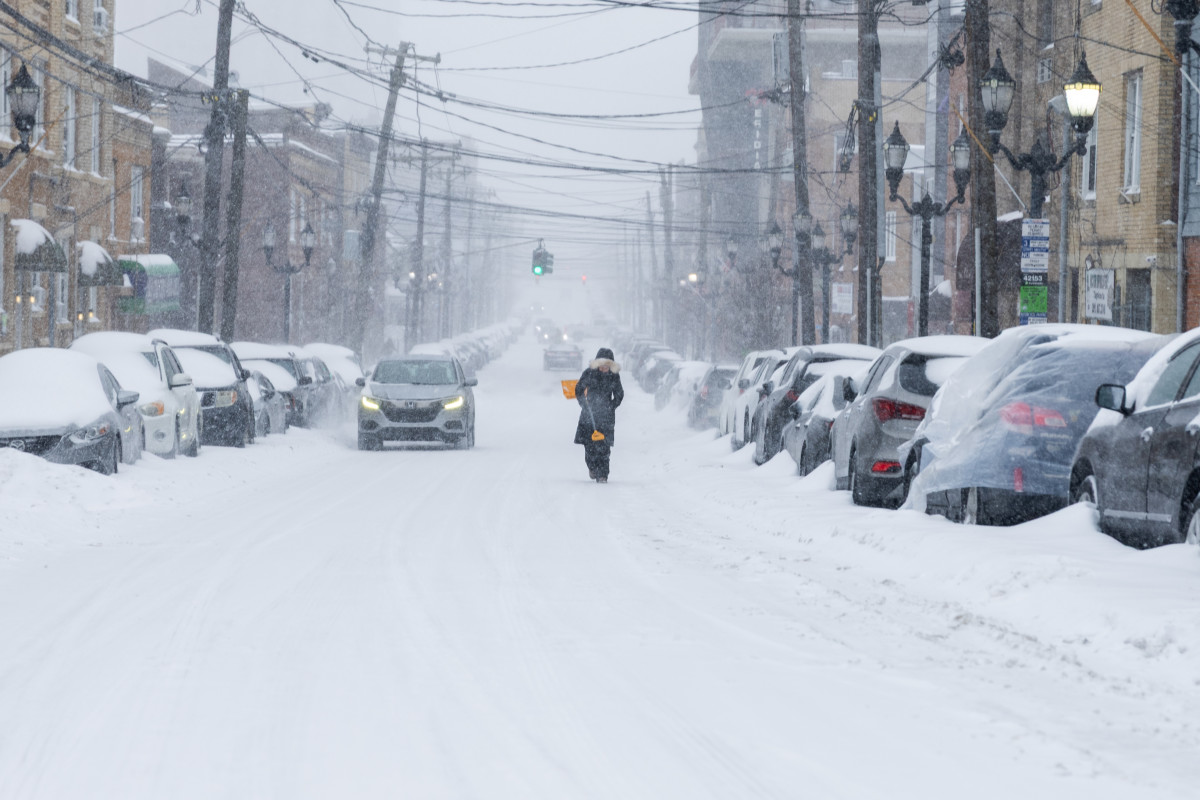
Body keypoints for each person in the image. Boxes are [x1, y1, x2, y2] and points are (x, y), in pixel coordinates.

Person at [573, 347, 623, 483]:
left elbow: (619, 394)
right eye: (601, 365)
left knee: (604, 448)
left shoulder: (614, 376)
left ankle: (603, 475)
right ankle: (592, 468)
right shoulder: (589, 373)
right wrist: (584, 404)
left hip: (606, 417)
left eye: (607, 366)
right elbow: (578, 389)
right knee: (589, 446)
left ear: (611, 366)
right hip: (589, 416)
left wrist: (611, 406)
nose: (603, 368)